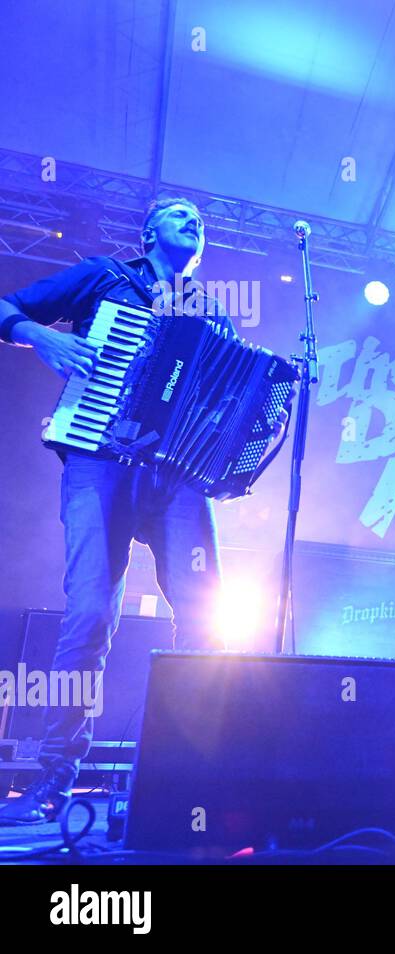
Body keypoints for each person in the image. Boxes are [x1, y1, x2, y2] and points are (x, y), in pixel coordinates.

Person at [0, 196, 272, 825]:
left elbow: (226, 401)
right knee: (91, 613)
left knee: (208, 618)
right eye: (180, 214)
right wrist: (41, 337)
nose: (194, 222)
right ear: (149, 230)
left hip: (177, 476)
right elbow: (6, 308)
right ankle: (52, 779)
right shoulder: (103, 276)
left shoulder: (212, 317)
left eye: (200, 222)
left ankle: (185, 776)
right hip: (100, 458)